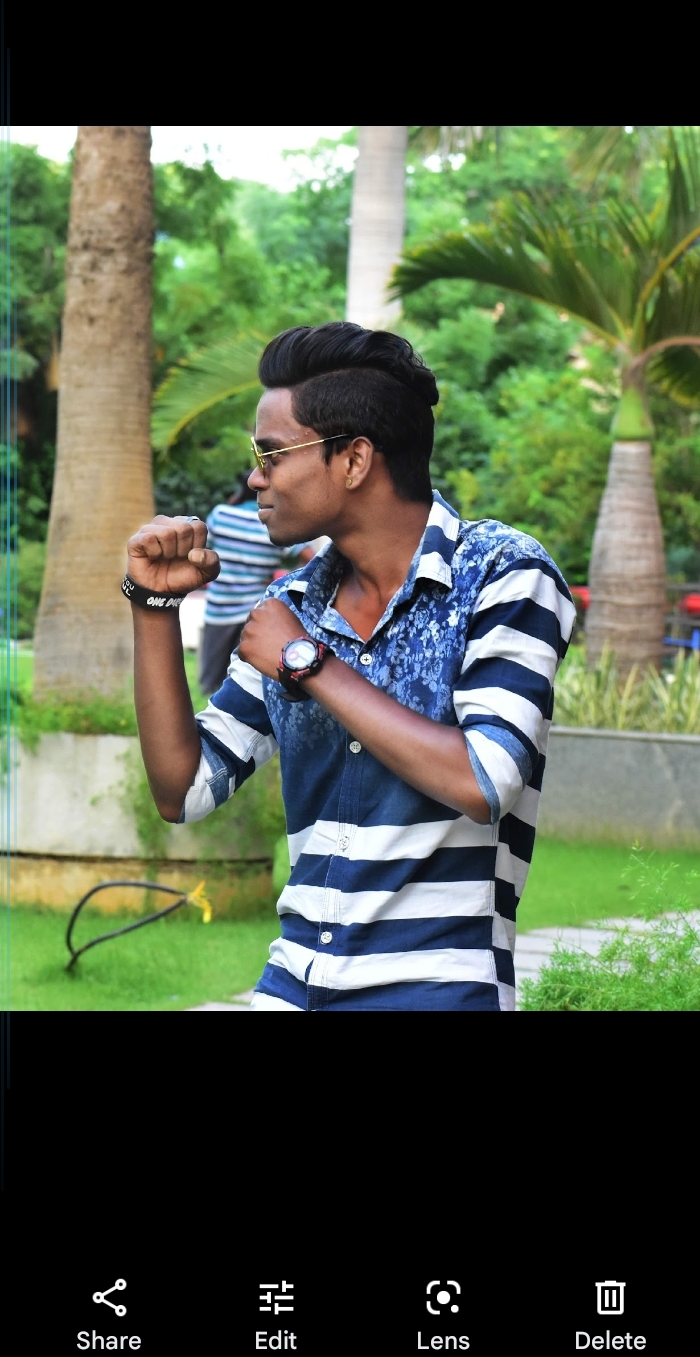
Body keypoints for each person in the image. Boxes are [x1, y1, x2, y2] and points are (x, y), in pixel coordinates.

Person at [124, 321, 575, 1012]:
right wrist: (154, 606)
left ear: (355, 460)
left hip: (436, 989)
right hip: (293, 983)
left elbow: (485, 780)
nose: (255, 477)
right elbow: (181, 790)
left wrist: (307, 662)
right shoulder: (292, 606)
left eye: (271, 454)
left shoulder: (502, 573)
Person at [198, 472, 313, 697]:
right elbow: (312, 558)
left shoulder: (221, 515)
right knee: (246, 686)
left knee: (211, 684)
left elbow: (203, 551)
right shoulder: (274, 522)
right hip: (257, 613)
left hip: (219, 610)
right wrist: (284, 579)